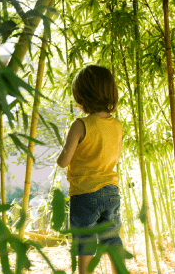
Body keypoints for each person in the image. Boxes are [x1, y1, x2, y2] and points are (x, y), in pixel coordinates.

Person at [56, 64, 125, 274]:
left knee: (84, 239)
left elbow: (63, 162)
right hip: (112, 191)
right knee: (112, 236)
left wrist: (65, 148)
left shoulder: (80, 125)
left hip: (85, 193)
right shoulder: (117, 125)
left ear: (82, 97)